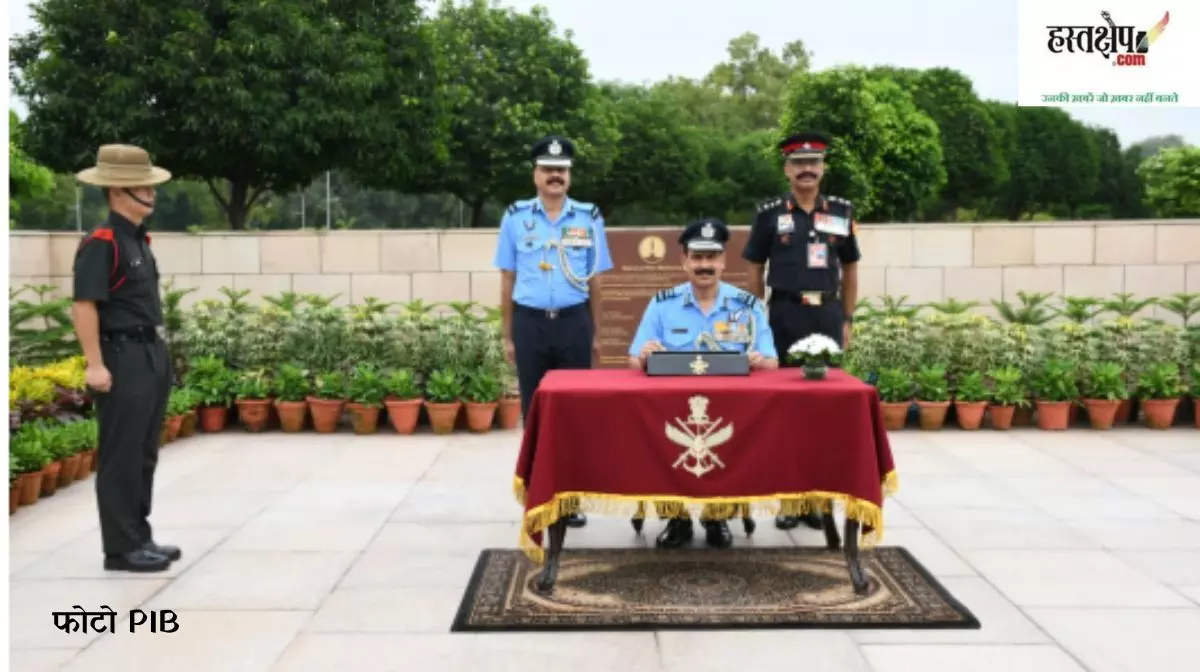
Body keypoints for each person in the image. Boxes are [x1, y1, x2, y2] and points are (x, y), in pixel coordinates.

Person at [629, 218, 779, 548]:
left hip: (731, 410)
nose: (704, 265)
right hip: (672, 409)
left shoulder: (747, 306)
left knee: (734, 442)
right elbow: (634, 360)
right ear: (684, 261)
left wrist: (758, 361)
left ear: (723, 261)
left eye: (711, 257)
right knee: (659, 440)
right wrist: (644, 355)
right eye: (697, 257)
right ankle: (677, 518)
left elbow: (772, 362)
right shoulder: (662, 304)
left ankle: (717, 516)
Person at [742, 131, 861, 532]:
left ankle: (819, 500)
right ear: (787, 169)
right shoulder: (770, 214)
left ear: (823, 168)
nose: (806, 169)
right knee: (785, 409)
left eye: (813, 162)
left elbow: (850, 268)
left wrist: (847, 319)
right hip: (784, 316)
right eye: (798, 163)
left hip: (827, 315)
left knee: (825, 411)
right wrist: (757, 323)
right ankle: (789, 501)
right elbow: (755, 268)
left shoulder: (840, 212)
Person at [493, 135, 613, 528]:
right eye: (548, 169)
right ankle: (538, 494)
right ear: (536, 175)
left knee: (574, 411)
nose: (555, 176)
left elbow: (596, 279)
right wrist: (507, 335)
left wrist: (596, 333)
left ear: (569, 176)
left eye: (561, 170)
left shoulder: (589, 217)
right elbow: (507, 278)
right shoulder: (515, 216)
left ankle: (571, 498)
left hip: (573, 322)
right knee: (534, 411)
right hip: (529, 323)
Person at [71, 144, 179, 572]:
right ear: (117, 191)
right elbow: (84, 305)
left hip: (149, 351)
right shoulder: (102, 243)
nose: (151, 194)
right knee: (121, 455)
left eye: (151, 187)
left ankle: (139, 535)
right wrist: (94, 364)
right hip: (121, 354)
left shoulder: (136, 239)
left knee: (144, 452)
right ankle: (120, 549)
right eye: (142, 187)